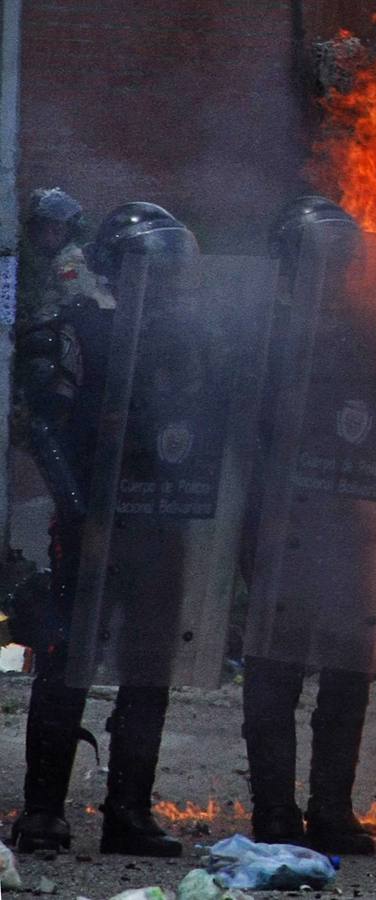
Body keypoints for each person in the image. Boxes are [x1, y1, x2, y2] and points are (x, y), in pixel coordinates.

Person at [10, 198, 189, 857]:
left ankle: (130, 811)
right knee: (67, 660)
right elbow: (46, 426)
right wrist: (82, 515)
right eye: (155, 272)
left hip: (158, 519)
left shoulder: (179, 336)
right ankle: (43, 813)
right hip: (91, 520)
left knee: (149, 664)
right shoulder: (79, 324)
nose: (165, 286)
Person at [238, 196, 376, 855]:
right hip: (280, 524)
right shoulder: (264, 333)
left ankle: (331, 810)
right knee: (276, 671)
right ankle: (274, 812)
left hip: (345, 523)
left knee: (346, 669)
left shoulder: (366, 332)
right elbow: (243, 436)